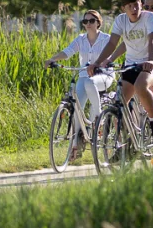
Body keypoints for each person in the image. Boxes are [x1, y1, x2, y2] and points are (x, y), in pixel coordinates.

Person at [88, 0, 153, 142]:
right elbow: (112, 43)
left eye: (136, 5)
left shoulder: (149, 17)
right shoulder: (121, 20)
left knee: (141, 86)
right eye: (129, 6)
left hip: (151, 63)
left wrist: (150, 60)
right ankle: (124, 143)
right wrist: (98, 62)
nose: (134, 9)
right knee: (119, 104)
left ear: (141, 5)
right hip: (131, 65)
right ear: (123, 8)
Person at [44, 10, 114, 154]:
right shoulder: (80, 39)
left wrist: (100, 65)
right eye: (85, 21)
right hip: (84, 76)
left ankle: (97, 117)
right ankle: (76, 145)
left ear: (98, 22)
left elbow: (110, 57)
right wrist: (53, 59)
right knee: (77, 106)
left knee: (90, 83)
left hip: (103, 76)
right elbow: (68, 51)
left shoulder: (106, 39)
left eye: (92, 21)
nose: (88, 24)